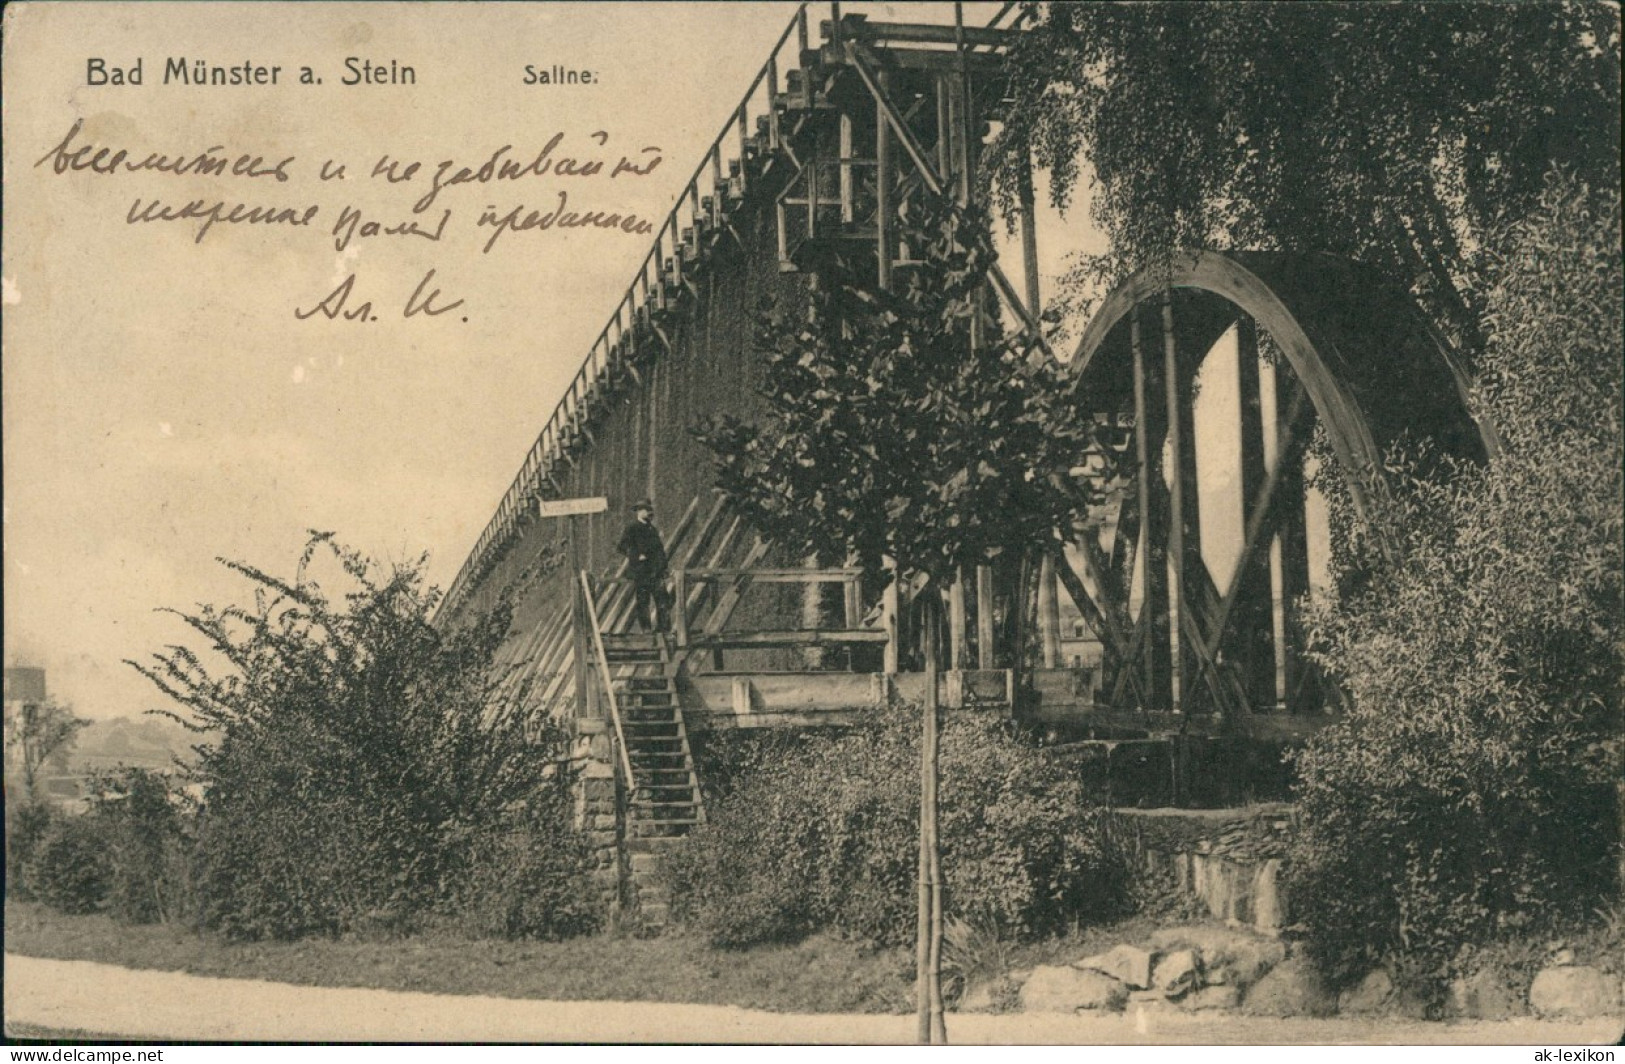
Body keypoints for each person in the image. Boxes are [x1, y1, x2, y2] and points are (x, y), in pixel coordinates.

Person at [616, 498, 669, 632]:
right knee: (643, 602)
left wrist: (664, 567)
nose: (649, 512)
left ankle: (663, 628)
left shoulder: (652, 529)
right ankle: (646, 629)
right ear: (639, 512)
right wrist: (636, 556)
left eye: (650, 509)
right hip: (641, 571)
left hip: (655, 571)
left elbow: (659, 550)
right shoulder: (632, 528)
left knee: (662, 599)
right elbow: (622, 546)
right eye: (646, 509)